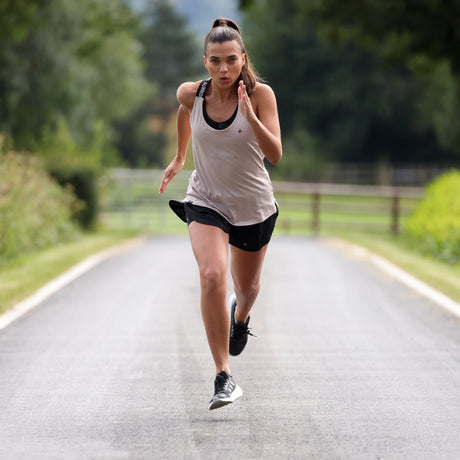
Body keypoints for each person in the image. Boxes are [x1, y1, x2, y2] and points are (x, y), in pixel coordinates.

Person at [159, 18, 282, 410]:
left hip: (253, 207)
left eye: (231, 60)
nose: (224, 69)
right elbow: (184, 111)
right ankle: (223, 375)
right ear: (205, 62)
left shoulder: (261, 95)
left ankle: (240, 317)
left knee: (246, 289)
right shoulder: (192, 94)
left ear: (243, 58)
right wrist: (180, 156)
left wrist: (251, 117)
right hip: (206, 199)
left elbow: (276, 154)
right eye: (215, 61)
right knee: (212, 275)